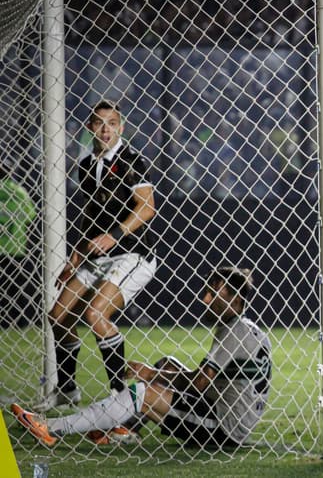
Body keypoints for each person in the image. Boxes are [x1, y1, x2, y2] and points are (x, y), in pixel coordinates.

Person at [12, 266, 271, 449]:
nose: (204, 298)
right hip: (231, 412)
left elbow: (200, 383)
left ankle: (51, 427)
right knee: (166, 364)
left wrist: (149, 374)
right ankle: (124, 427)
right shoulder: (245, 327)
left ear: (235, 298)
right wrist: (158, 371)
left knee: (143, 392)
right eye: (206, 290)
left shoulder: (234, 332)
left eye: (213, 294)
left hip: (224, 428)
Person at [37, 100, 157, 411]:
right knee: (58, 316)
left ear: (122, 128)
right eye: (100, 123)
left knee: (96, 315)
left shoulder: (133, 161)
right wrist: (77, 254)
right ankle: (67, 389)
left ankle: (122, 400)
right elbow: (91, 216)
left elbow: (147, 208)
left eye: (113, 123)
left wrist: (114, 235)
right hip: (96, 255)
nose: (106, 129)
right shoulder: (87, 165)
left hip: (132, 254)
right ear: (90, 127)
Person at [0, 160, 37, 328]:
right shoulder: (19, 192)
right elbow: (30, 217)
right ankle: (20, 321)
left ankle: (4, 321)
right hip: (17, 247)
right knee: (17, 288)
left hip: (1, 246)